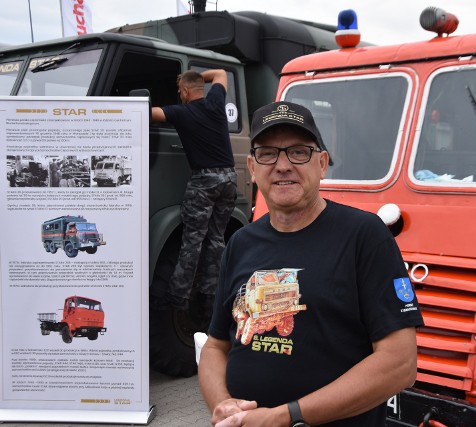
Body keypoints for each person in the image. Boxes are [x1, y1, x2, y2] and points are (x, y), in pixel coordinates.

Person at [198, 101, 424, 426]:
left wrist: (284, 417)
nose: (283, 165)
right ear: (251, 166)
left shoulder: (364, 236)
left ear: (322, 163)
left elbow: (400, 364)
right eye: (268, 153)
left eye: (298, 152)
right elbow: (216, 346)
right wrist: (223, 407)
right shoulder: (241, 243)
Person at [151, 69, 237, 311]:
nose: (179, 94)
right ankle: (210, 296)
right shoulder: (216, 101)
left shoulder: (181, 112)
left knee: (193, 241)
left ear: (186, 91)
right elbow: (220, 73)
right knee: (217, 238)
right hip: (229, 179)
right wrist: (197, 75)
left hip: (204, 181)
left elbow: (148, 114)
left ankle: (177, 298)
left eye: (180, 90)